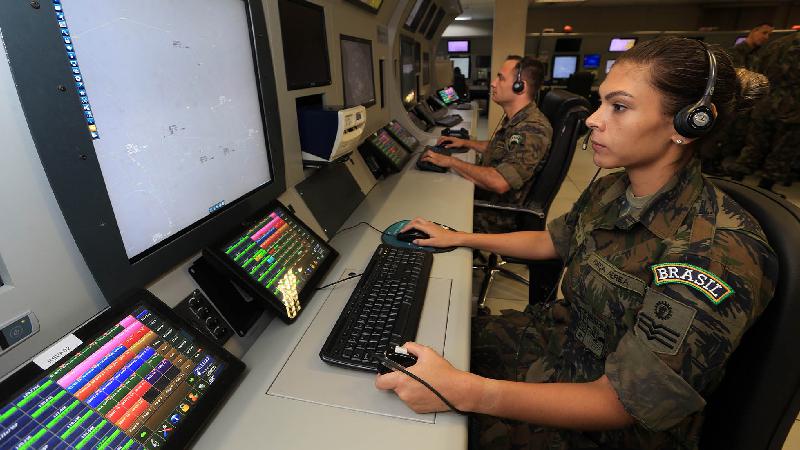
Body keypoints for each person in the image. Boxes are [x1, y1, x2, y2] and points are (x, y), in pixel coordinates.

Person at [376, 37, 777, 449]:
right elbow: (552, 240)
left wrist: (466, 392)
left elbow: (622, 402)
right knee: (420, 339)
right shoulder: (612, 189)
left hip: (606, 422)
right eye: (601, 103)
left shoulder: (714, 252)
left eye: (618, 107)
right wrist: (458, 236)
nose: (593, 120)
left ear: (689, 123)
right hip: (556, 345)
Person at [421, 56, 553, 233]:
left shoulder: (532, 130)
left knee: (428, 204)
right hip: (485, 199)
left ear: (519, 87)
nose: (493, 83)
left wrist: (451, 161)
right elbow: (500, 148)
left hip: (495, 216)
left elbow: (500, 182)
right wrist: (465, 142)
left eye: (501, 78)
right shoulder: (520, 120)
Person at [726, 30, 800, 190]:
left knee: (753, 145)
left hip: (765, 104)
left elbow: (758, 70)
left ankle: (734, 182)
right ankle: (765, 189)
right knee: (782, 150)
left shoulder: (777, 44)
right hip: (792, 108)